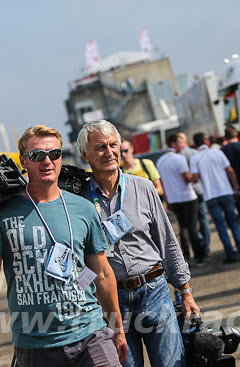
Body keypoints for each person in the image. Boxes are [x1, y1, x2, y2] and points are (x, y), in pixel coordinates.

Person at [0, 125, 127, 366]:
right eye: (37, 155)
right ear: (23, 160)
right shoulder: (2, 213)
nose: (47, 161)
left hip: (90, 333)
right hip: (36, 344)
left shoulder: (82, 208)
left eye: (53, 154)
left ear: (61, 157)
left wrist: (117, 329)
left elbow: (102, 272)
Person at [77, 120, 199, 367]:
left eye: (114, 145)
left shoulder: (143, 188)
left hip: (154, 291)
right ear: (84, 154)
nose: (109, 152)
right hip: (112, 303)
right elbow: (78, 259)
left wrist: (185, 291)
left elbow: (168, 242)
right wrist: (87, 296)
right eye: (100, 147)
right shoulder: (77, 201)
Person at [190, 132, 240, 263]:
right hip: (226, 191)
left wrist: (201, 176)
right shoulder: (217, 152)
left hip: (210, 195)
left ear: (195, 143)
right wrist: (235, 186)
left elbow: (194, 179)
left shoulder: (195, 158)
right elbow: (230, 170)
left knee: (221, 226)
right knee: (233, 222)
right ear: (206, 141)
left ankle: (231, 254)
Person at [157, 133, 208, 266]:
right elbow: (186, 178)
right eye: (180, 142)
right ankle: (199, 257)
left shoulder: (160, 161)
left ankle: (185, 256)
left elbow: (162, 182)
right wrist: (194, 175)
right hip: (187, 197)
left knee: (183, 228)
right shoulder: (179, 158)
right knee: (192, 227)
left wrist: (167, 201)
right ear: (173, 144)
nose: (183, 145)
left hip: (173, 199)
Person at [177, 132, 211, 256]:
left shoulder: (177, 156)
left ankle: (201, 243)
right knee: (202, 219)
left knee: (190, 223)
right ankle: (205, 246)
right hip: (198, 190)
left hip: (186, 193)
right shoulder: (193, 153)